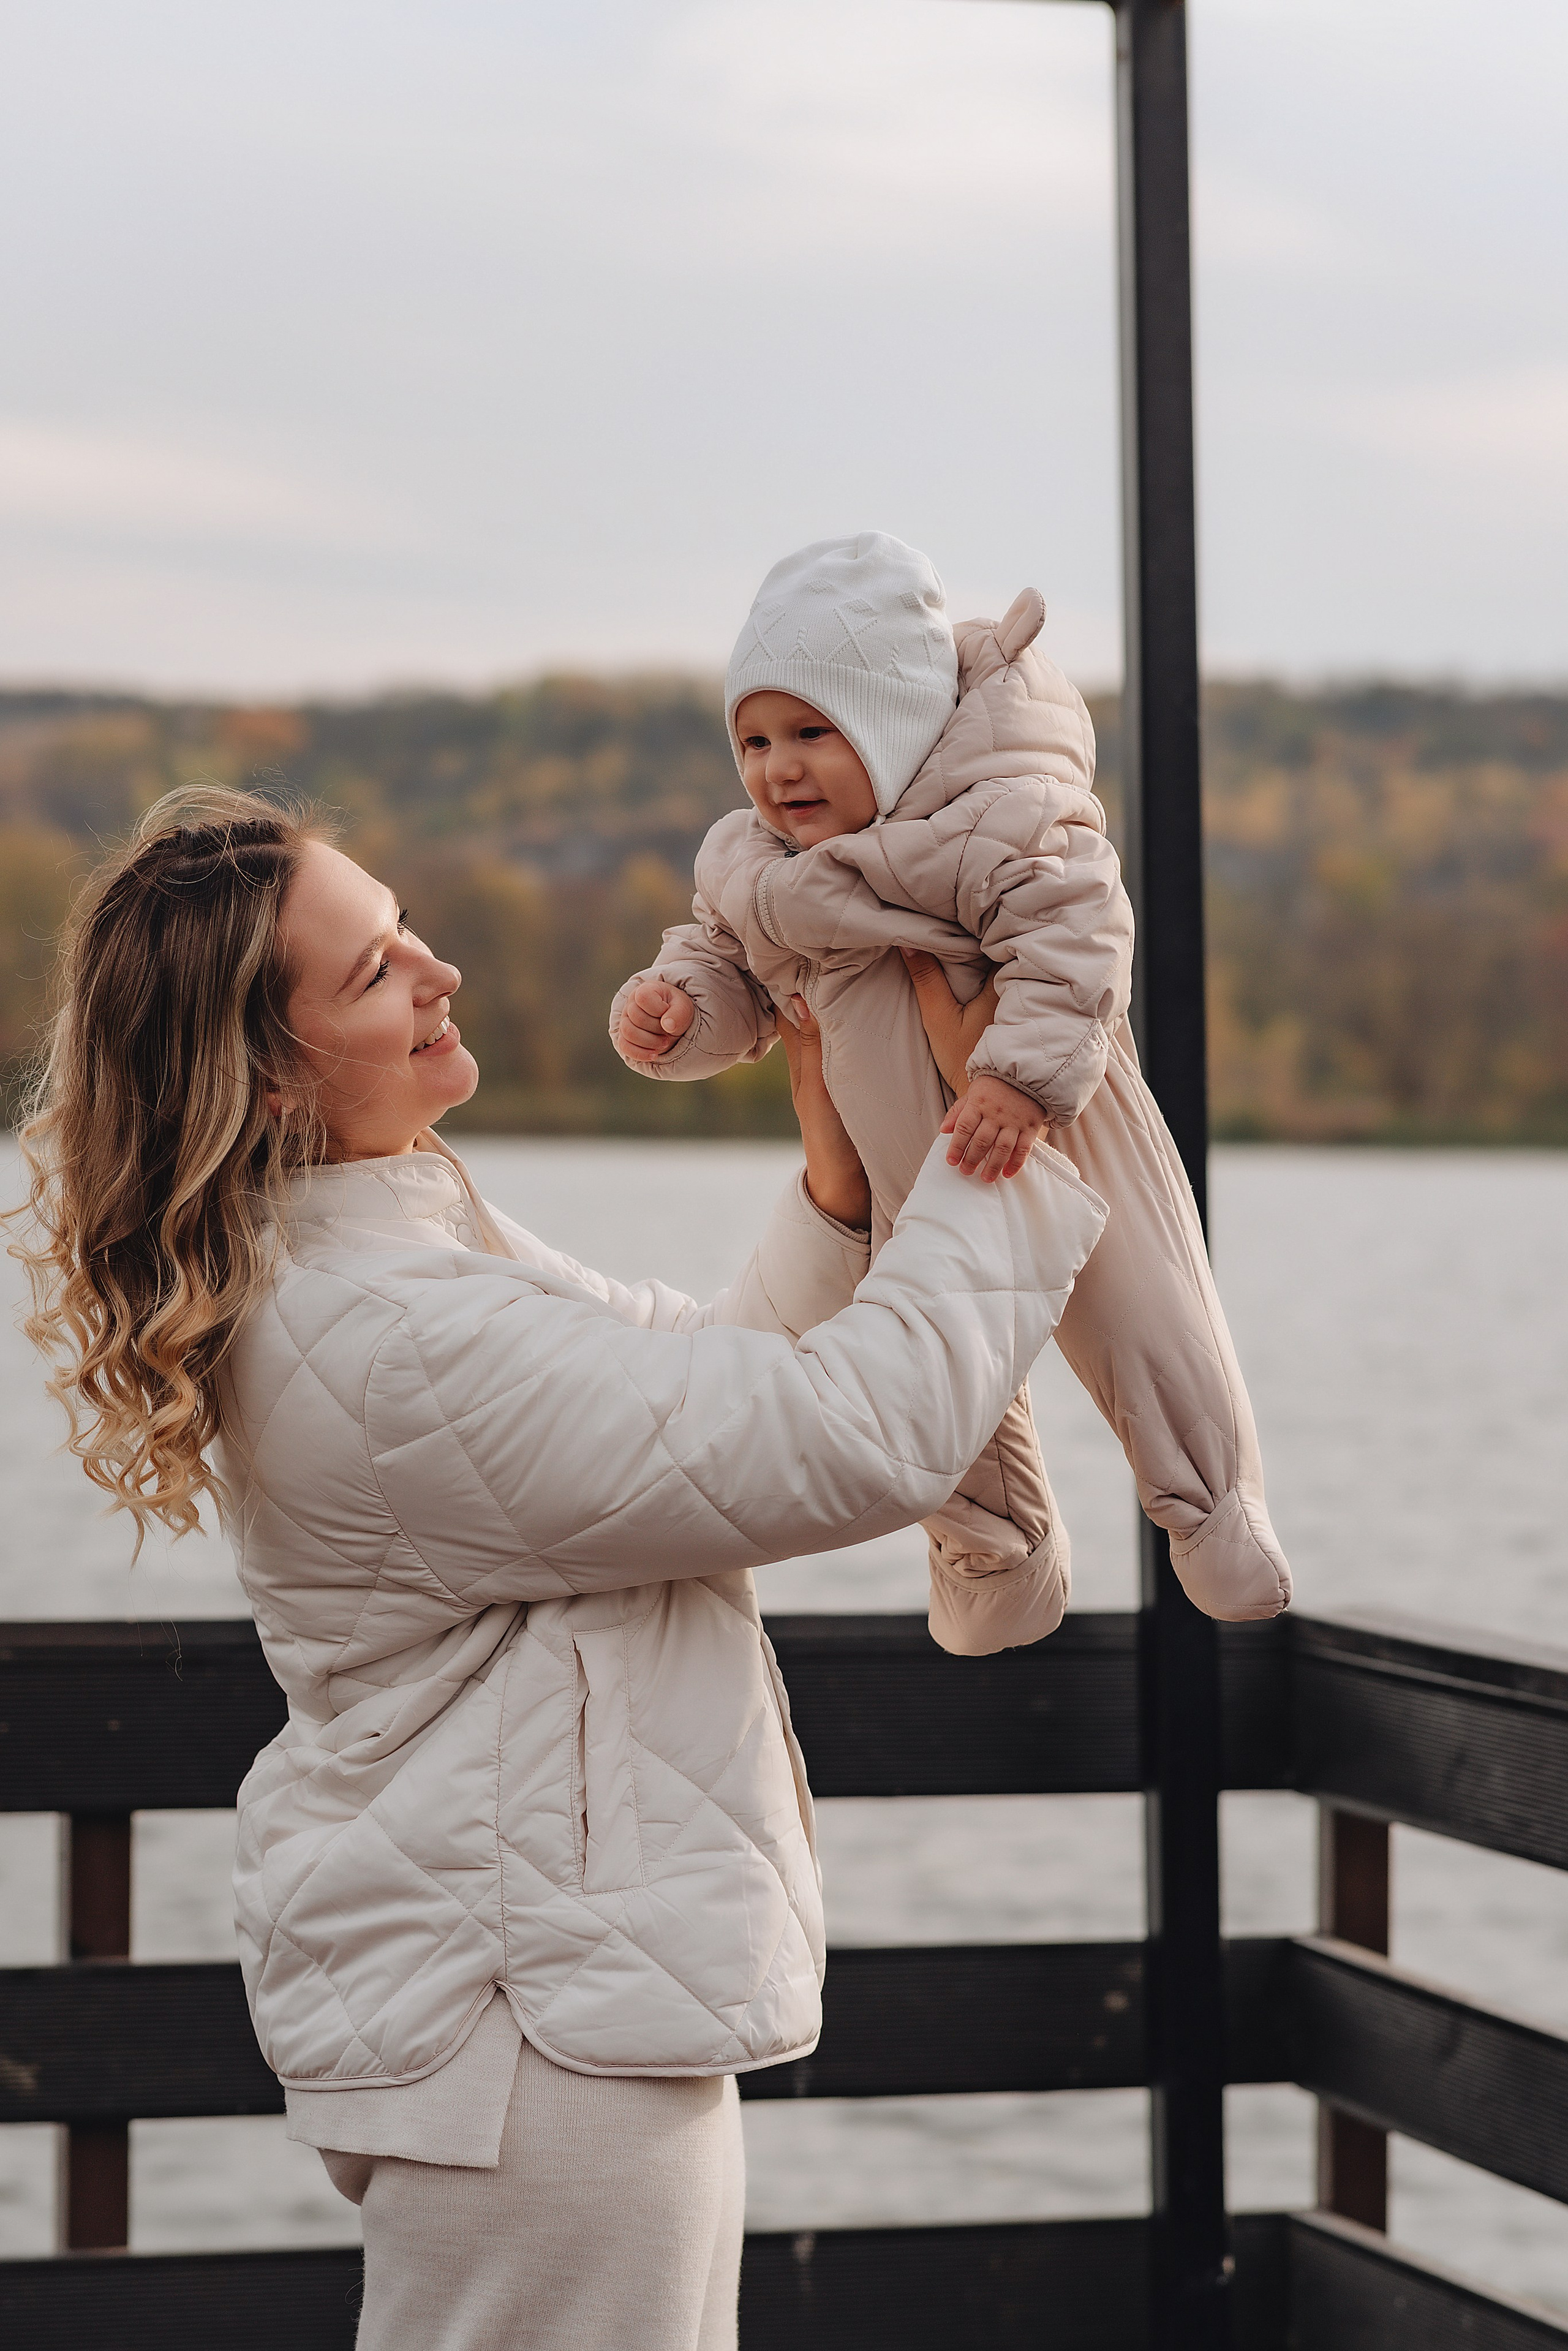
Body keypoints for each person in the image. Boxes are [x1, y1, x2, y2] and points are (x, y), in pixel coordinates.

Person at [14, 786, 1107, 2351]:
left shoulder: (392, 1254)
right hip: (533, 2030)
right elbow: (842, 1439)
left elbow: (699, 1379)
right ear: (267, 1071)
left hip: (531, 2001)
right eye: (377, 967)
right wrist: (1006, 1147)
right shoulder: (390, 1335)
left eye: (404, 929)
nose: (438, 967)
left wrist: (838, 1188)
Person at [611, 532, 1292, 1632]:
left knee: (1145, 1317)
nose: (777, 768)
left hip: (1053, 1120)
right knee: (936, 1378)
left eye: (812, 733)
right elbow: (723, 961)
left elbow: (1078, 934)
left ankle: (1216, 1510)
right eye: (752, 739)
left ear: (891, 723)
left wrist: (1019, 1079)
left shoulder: (996, 812)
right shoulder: (755, 867)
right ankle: (997, 1564)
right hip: (903, 1167)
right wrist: (678, 1013)